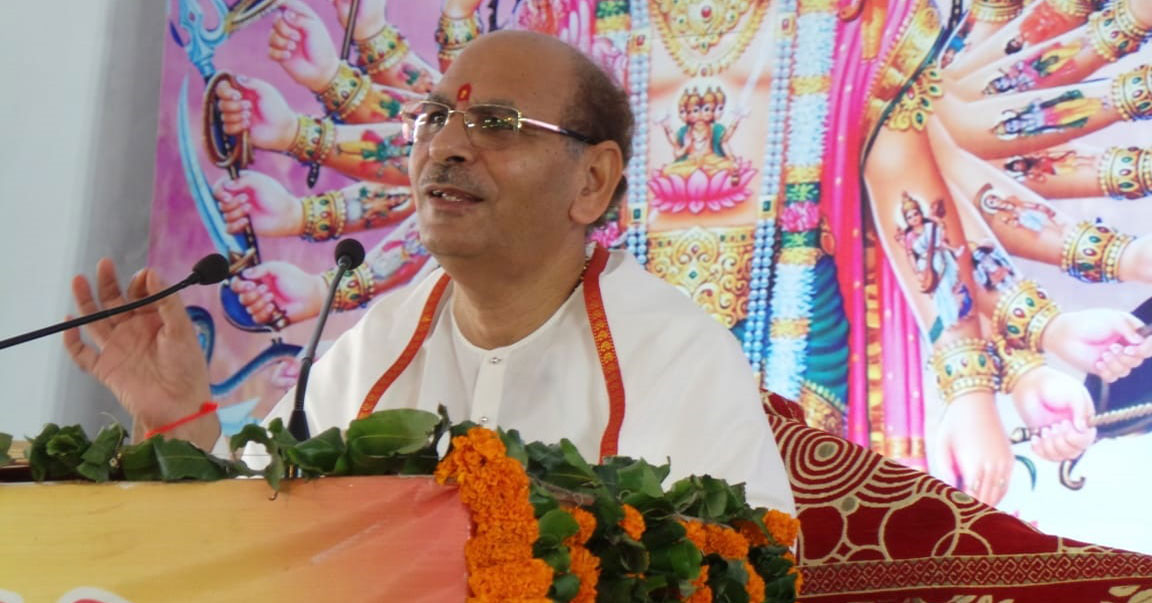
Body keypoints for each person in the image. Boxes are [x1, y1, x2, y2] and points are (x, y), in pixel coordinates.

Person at [64, 30, 795, 513]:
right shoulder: (376, 348)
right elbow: (257, 534)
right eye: (433, 118)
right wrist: (183, 423)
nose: (445, 145)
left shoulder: (677, 359)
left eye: (496, 125)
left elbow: (752, 569)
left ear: (593, 182)